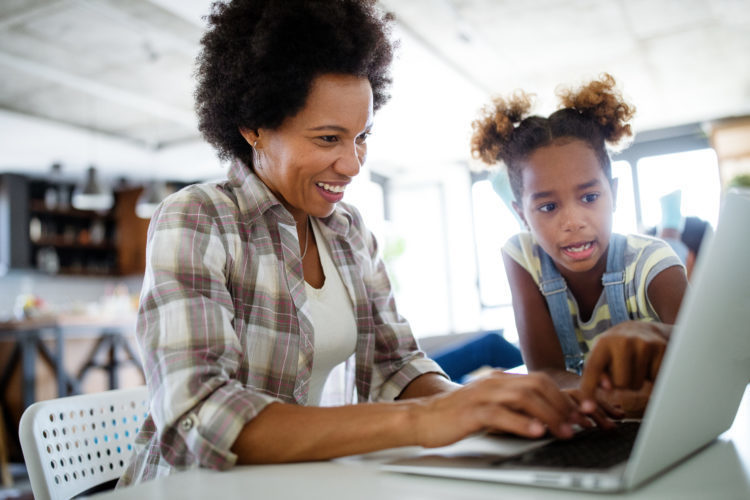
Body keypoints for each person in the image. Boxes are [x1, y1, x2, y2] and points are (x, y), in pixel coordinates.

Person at [118, 0, 591, 486]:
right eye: (328, 139)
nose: (352, 164)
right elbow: (203, 416)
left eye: (361, 136)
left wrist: (485, 407)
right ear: (253, 128)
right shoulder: (198, 219)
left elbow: (396, 366)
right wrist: (426, 421)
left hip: (297, 484)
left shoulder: (348, 233)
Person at [470, 74, 689, 415]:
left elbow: (705, 355)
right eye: (548, 207)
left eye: (589, 197)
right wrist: (604, 398)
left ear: (613, 194)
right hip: (592, 432)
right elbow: (546, 373)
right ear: (521, 215)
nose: (573, 221)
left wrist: (657, 337)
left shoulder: (653, 262)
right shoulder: (522, 257)